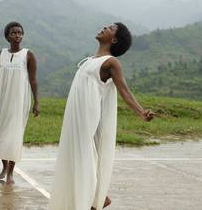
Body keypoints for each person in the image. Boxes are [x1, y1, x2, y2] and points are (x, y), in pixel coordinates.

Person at [48, 23, 155, 210]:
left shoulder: (111, 62)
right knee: (77, 155)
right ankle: (98, 197)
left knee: (85, 154)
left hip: (87, 119)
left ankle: (94, 198)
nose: (104, 27)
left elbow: (125, 91)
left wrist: (141, 111)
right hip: (75, 116)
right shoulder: (90, 60)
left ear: (114, 39)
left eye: (111, 28)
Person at [0, 22, 39, 185]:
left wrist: (36, 102)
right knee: (0, 135)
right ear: (7, 36)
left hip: (19, 100)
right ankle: (4, 166)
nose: (17, 35)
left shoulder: (28, 55)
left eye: (20, 32)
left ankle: (10, 173)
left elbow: (33, 80)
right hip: (2, 100)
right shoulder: (1, 54)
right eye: (14, 33)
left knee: (14, 136)